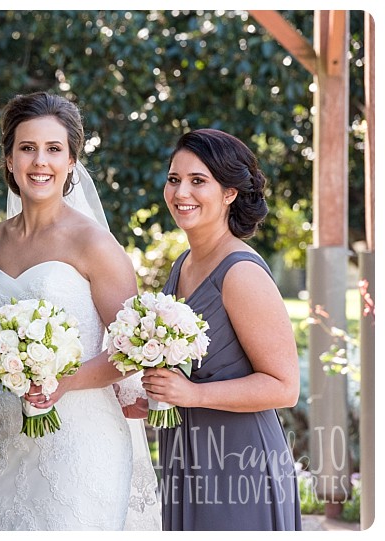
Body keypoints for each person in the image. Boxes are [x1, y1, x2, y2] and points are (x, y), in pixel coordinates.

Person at [0, 91, 160, 531]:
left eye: (54, 149)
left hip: (82, 438)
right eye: (27, 148)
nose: (40, 161)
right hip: (12, 434)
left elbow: (134, 346)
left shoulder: (93, 243)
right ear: (8, 159)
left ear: (72, 161)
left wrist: (64, 382)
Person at [142, 128, 302, 530]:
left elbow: (285, 386)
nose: (181, 193)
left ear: (229, 192)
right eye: (174, 179)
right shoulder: (184, 264)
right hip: (188, 452)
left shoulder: (241, 273)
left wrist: (192, 394)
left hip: (237, 460)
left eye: (199, 181)